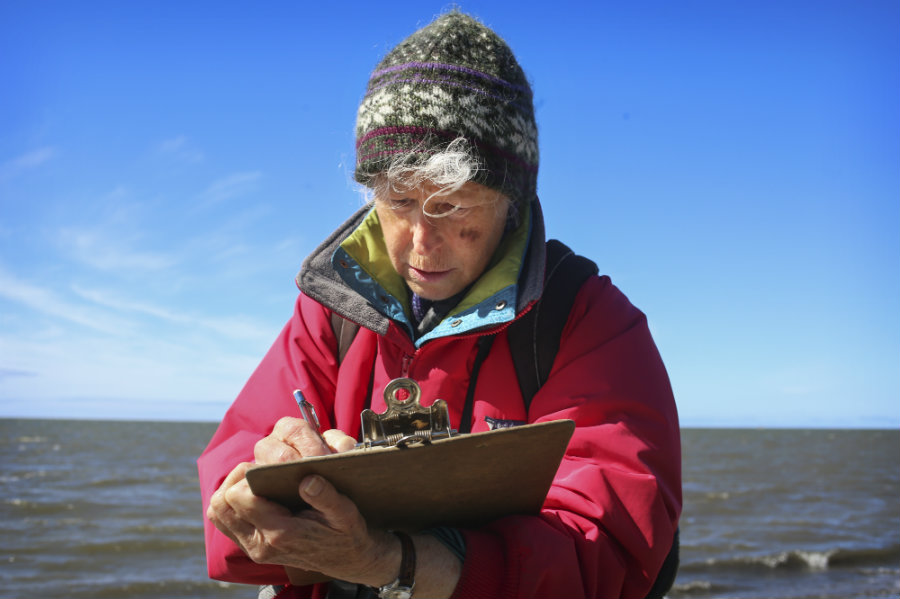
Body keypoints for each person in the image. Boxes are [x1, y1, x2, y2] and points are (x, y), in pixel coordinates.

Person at [199, 11, 681, 599]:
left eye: (454, 206)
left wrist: (396, 562)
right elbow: (225, 507)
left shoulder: (591, 322)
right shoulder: (332, 310)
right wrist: (256, 493)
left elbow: (609, 556)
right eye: (398, 201)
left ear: (513, 199)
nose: (422, 243)